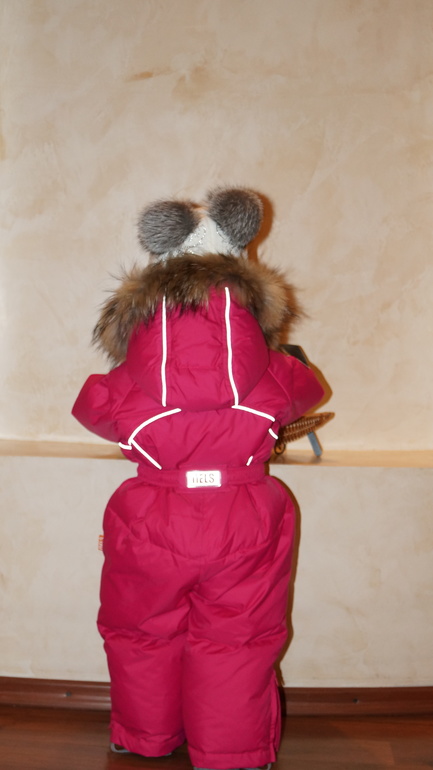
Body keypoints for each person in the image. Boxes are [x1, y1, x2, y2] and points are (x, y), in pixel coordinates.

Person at [72, 187, 324, 769]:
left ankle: (142, 737)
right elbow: (308, 389)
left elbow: (89, 406)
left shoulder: (127, 382)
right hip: (244, 513)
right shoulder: (275, 374)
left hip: (152, 514)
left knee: (142, 632)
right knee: (237, 641)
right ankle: (234, 753)